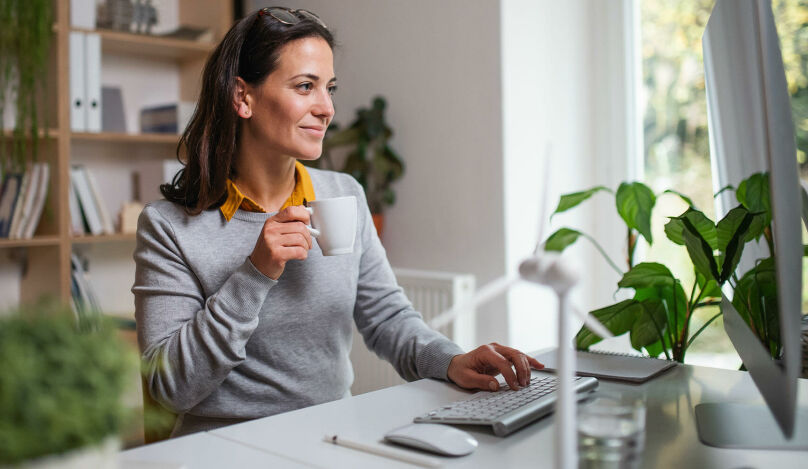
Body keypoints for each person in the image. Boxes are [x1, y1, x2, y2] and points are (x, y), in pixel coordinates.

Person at [133, 7, 543, 438]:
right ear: (243, 97)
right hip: (226, 446)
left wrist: (451, 361)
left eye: (329, 88)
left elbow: (387, 318)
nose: (326, 108)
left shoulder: (342, 195)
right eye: (305, 86)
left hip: (331, 437)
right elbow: (169, 388)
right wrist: (253, 274)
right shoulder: (168, 226)